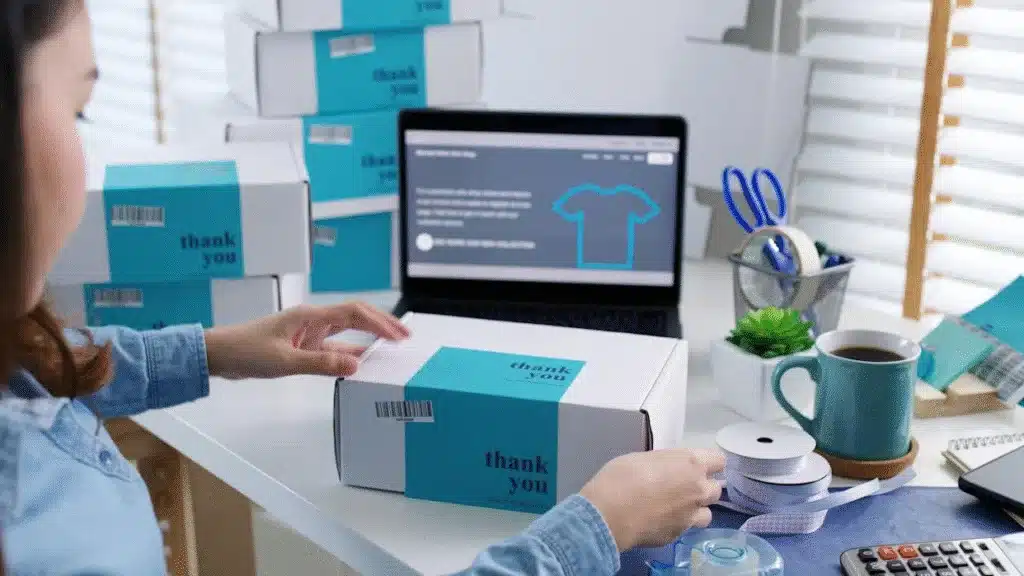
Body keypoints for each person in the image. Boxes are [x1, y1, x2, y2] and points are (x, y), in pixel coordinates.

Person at [0, 1, 725, 574]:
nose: (85, 155)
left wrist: (216, 350)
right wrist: (598, 529)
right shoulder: (34, 527)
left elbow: (43, 364)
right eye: (76, 109)